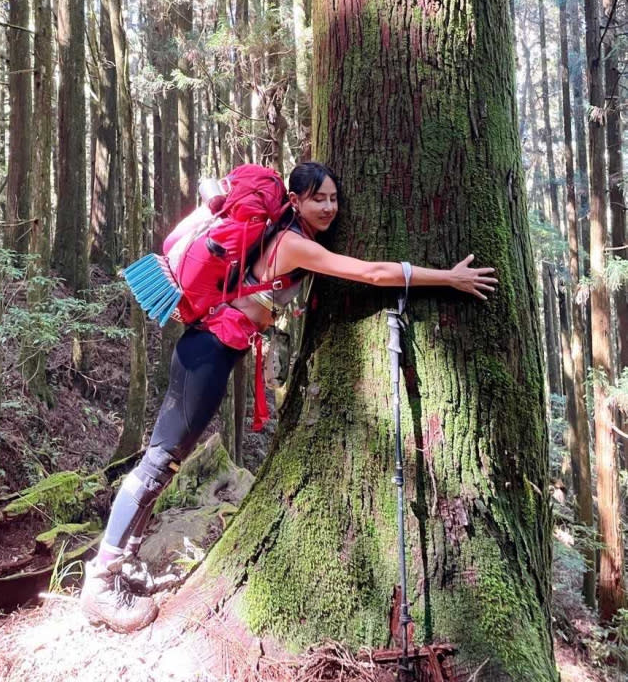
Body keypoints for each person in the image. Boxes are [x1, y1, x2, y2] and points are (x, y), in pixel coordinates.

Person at [80, 161, 497, 632]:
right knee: (160, 461)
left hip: (208, 348)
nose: (329, 207)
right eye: (318, 198)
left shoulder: (283, 235)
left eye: (334, 198)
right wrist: (448, 277)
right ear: (294, 201)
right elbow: (374, 273)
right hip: (208, 355)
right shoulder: (293, 244)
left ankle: (124, 563)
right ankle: (100, 581)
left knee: (168, 461)